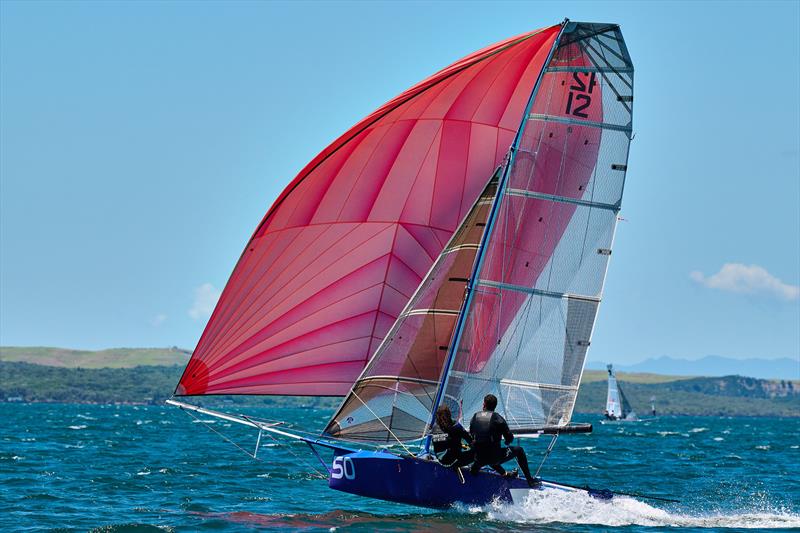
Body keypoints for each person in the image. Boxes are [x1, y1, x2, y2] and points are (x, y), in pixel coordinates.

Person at [469, 394, 538, 487]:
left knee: (485, 453)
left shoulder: (475, 417)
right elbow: (509, 438)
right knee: (519, 450)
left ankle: (475, 472)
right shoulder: (499, 419)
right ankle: (530, 480)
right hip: (494, 457)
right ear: (495, 406)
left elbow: (472, 434)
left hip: (478, 458)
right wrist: (507, 441)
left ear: (484, 404)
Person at [432, 405, 474, 478]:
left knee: (463, 446)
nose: (443, 421)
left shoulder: (435, 428)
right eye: (442, 419)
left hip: (440, 460)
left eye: (444, 418)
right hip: (451, 461)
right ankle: (460, 466)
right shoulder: (456, 426)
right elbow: (469, 439)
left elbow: (443, 446)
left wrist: (464, 445)